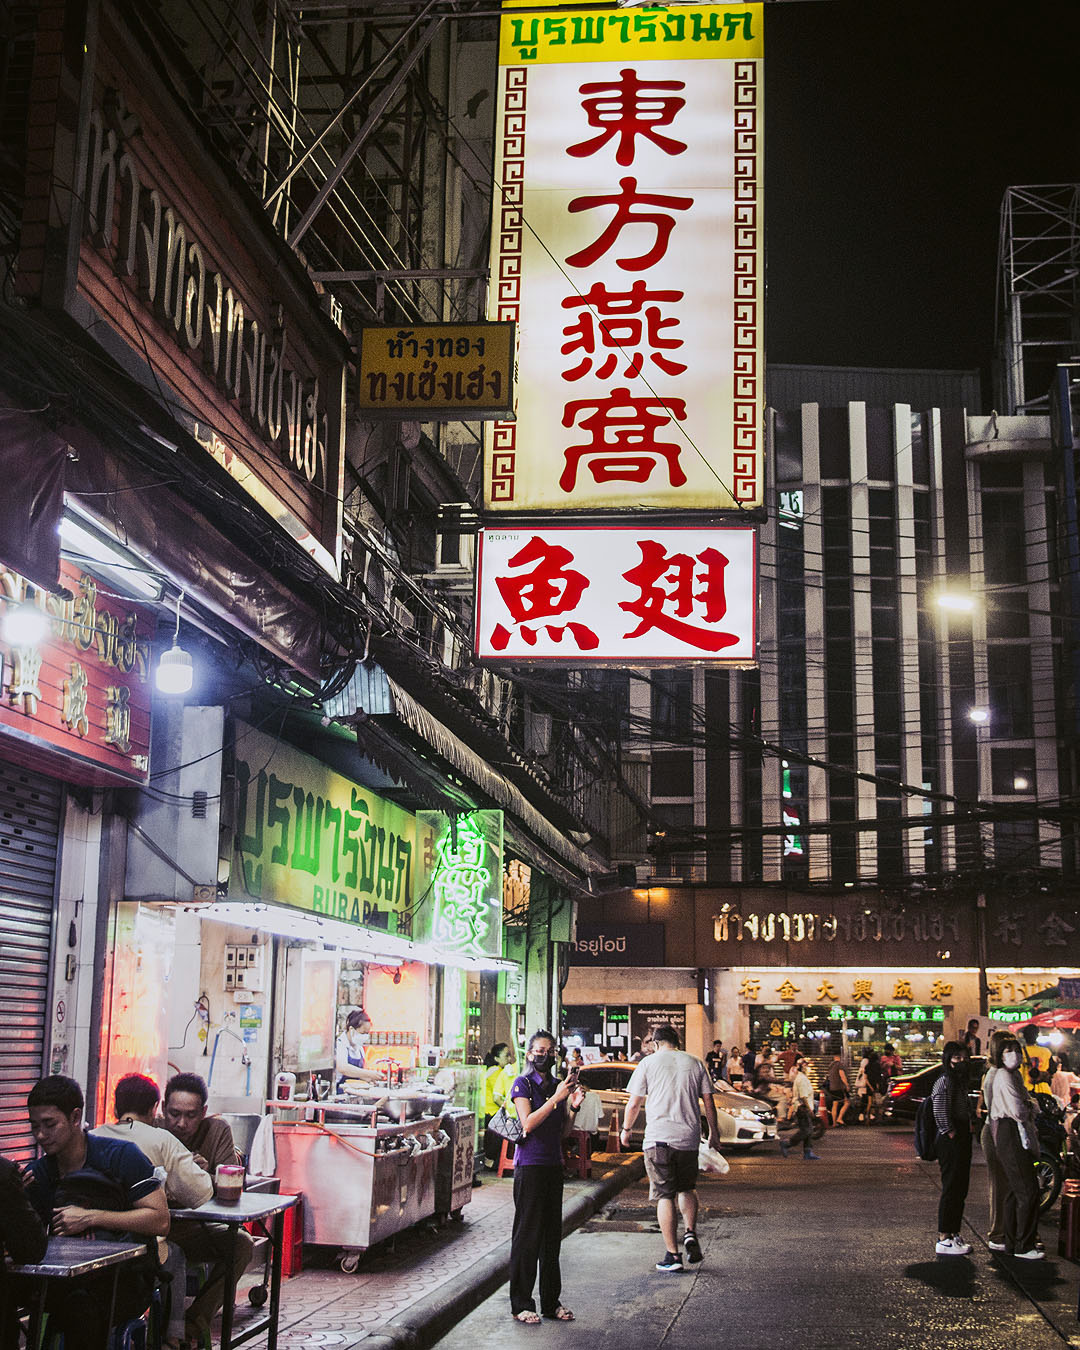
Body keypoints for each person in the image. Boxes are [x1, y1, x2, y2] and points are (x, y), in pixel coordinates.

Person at [22, 1076, 168, 1349]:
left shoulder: (122, 1156)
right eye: (34, 1126)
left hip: (125, 1279)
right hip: (63, 1281)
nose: (40, 1135)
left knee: (81, 1308)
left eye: (49, 1124)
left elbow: (160, 1220)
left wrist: (90, 1217)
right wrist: (14, 1195)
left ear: (75, 1117)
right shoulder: (39, 1174)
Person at [93, 1073, 214, 1348]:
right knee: (175, 1254)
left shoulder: (93, 1136)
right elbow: (200, 1193)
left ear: (115, 1107)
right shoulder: (161, 1140)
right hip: (142, 1247)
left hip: (95, 1244)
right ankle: (173, 1335)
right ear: (154, 1110)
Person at [620, 1024, 721, 1274]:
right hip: (689, 1139)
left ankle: (673, 1255)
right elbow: (709, 1101)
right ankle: (689, 1232)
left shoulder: (648, 1064)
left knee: (664, 1195)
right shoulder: (696, 1062)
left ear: (655, 1043)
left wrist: (626, 1129)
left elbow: (634, 1104)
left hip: (659, 1140)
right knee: (687, 1188)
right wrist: (715, 1134)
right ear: (678, 1041)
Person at [162, 1073, 252, 1345]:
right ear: (162, 1108)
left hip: (195, 1227)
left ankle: (194, 1323)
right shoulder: (153, 1131)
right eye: (174, 1114)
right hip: (157, 1227)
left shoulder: (217, 1131)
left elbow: (231, 1185)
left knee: (241, 1244)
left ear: (203, 1112)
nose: (181, 1123)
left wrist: (205, 1177)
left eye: (190, 1116)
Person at [508, 1030, 584, 1324]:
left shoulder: (557, 1085)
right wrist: (556, 1098)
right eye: (540, 1050)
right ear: (529, 1054)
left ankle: (551, 1303)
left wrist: (573, 1106)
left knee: (552, 1239)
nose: (545, 1055)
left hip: (553, 1165)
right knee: (528, 1236)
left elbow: (563, 1131)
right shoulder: (522, 1083)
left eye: (550, 1051)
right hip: (530, 1166)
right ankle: (521, 1304)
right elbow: (528, 1124)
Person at [988, 1034, 1044, 1259]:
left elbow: (1026, 1104)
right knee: (1029, 1190)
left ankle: (1012, 1242)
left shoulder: (1013, 1076)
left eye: (1017, 1051)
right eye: (1008, 1051)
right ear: (1000, 1055)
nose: (1015, 1055)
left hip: (1010, 1133)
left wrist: (1028, 1106)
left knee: (1014, 1189)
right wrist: (1028, 1107)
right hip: (1010, 1132)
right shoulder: (1004, 1076)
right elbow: (1018, 1110)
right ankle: (1024, 1245)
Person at [930, 1041, 975, 1256]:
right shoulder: (944, 1081)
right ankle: (944, 1237)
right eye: (957, 1058)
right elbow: (939, 1111)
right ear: (948, 1059)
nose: (961, 1061)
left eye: (964, 1057)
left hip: (962, 1136)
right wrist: (951, 1132)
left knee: (960, 1188)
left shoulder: (959, 1081)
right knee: (951, 1188)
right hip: (951, 1140)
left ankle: (954, 1232)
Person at [978, 1030, 1009, 1255]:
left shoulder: (999, 1072)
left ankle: (1004, 1231)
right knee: (999, 1184)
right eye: (1010, 1048)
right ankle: (997, 1234)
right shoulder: (997, 1074)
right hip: (996, 1130)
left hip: (996, 1130)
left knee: (1004, 1183)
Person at [779, 1057, 821, 1160]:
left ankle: (808, 1152)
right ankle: (787, 1143)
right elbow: (803, 1096)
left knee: (809, 1130)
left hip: (803, 1107)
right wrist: (809, 1110)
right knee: (806, 1131)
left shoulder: (803, 1078)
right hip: (802, 1108)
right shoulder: (801, 1079)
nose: (808, 1068)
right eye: (806, 1066)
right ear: (801, 1067)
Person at [335, 1008, 385, 1088]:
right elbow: (343, 1068)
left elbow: (358, 1074)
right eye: (363, 1032)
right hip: (341, 1093)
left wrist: (370, 1079)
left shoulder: (359, 1047)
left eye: (367, 1033)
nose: (365, 1036)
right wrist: (369, 1073)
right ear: (351, 1029)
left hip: (355, 1092)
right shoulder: (341, 1044)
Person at [1019, 1025, 1054, 1096]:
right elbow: (1053, 1069)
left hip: (1025, 1091)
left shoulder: (1019, 1052)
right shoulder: (1046, 1051)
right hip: (1044, 1091)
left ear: (1024, 1037)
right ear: (1037, 1036)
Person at [826, 1054, 850, 1127]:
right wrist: (847, 1085)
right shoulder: (839, 1064)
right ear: (839, 1057)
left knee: (835, 1104)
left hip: (832, 1087)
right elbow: (842, 1076)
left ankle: (834, 1123)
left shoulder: (830, 1065)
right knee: (847, 1102)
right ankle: (839, 1118)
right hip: (839, 1087)